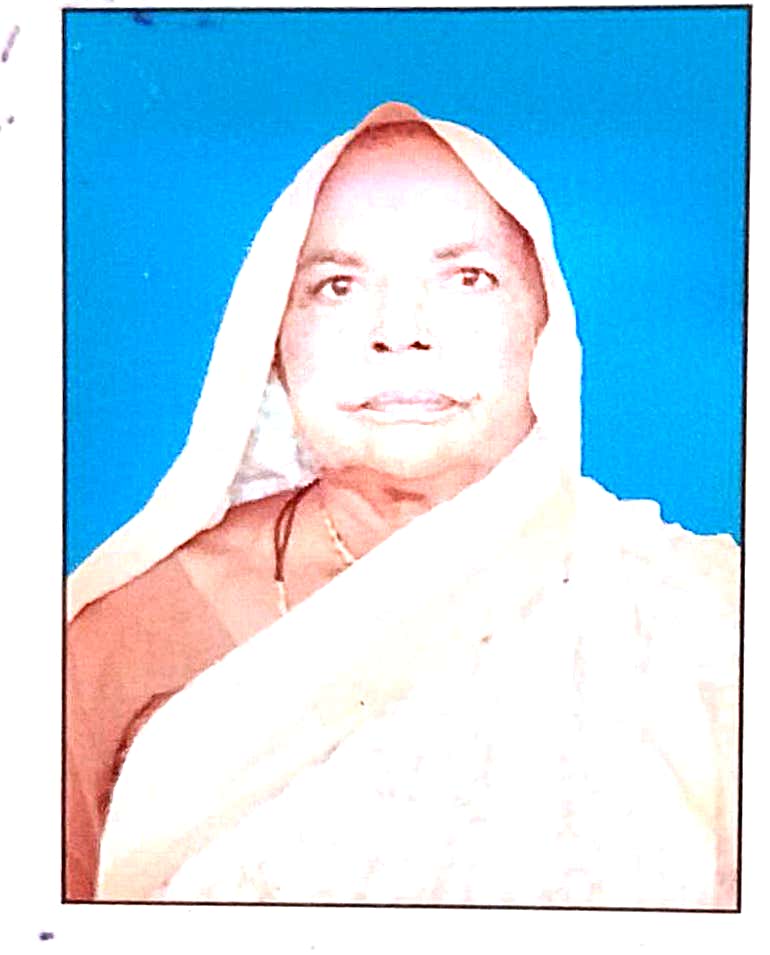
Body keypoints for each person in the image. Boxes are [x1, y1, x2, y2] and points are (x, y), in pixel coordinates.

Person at [65, 102, 739, 907]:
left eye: (467, 278)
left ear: (545, 329)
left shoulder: (702, 614)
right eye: (338, 286)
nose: (400, 331)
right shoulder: (125, 634)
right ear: (275, 343)